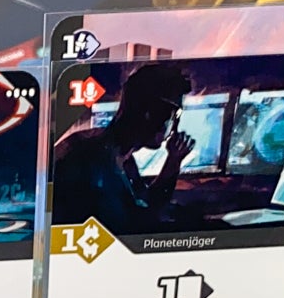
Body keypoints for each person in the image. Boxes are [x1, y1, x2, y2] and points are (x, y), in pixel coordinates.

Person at [51, 61, 195, 234]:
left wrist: (173, 161)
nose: (174, 125)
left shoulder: (119, 156)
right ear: (151, 113)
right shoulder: (94, 164)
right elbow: (137, 226)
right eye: (175, 114)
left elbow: (144, 206)